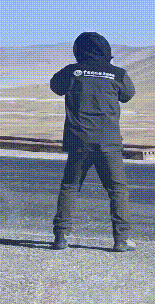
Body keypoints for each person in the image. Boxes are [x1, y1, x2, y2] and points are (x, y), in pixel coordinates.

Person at [49, 32, 136, 252]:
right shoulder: (116, 73)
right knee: (117, 189)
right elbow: (128, 95)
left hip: (79, 140)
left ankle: (60, 236)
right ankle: (121, 240)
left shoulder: (73, 71)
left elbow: (55, 87)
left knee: (70, 186)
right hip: (108, 141)